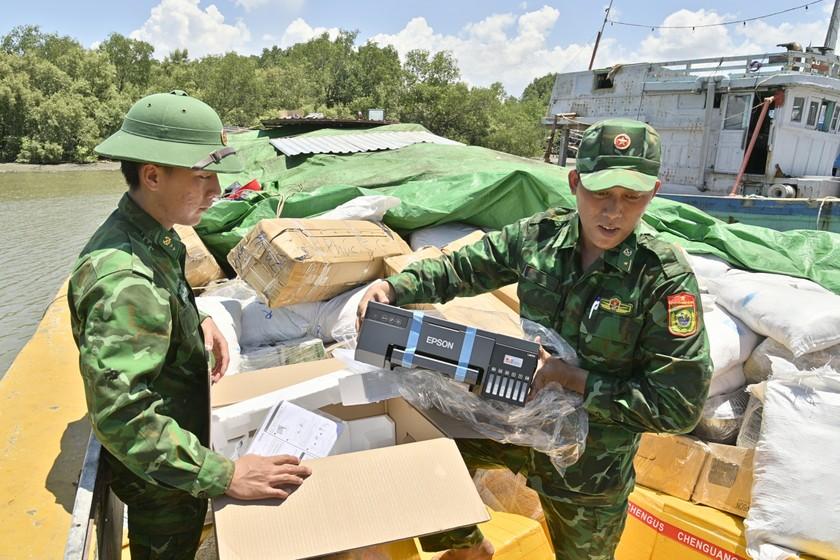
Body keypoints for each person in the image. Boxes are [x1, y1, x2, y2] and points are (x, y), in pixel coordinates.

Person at [357, 118, 713, 560]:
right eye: (601, 193)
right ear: (575, 182)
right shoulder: (539, 240)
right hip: (518, 422)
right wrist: (396, 288)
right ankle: (467, 549)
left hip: (590, 465)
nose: (614, 211)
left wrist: (573, 378)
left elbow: (679, 406)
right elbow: (464, 268)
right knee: (423, 438)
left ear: (653, 193)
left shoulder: (661, 279)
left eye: (632, 197)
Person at [68, 91, 311, 559]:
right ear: (153, 175)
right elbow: (121, 418)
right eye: (202, 177)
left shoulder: (155, 236)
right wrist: (226, 474)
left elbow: (161, 296)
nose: (217, 191)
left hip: (180, 453)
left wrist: (194, 319)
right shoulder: (124, 281)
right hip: (163, 481)